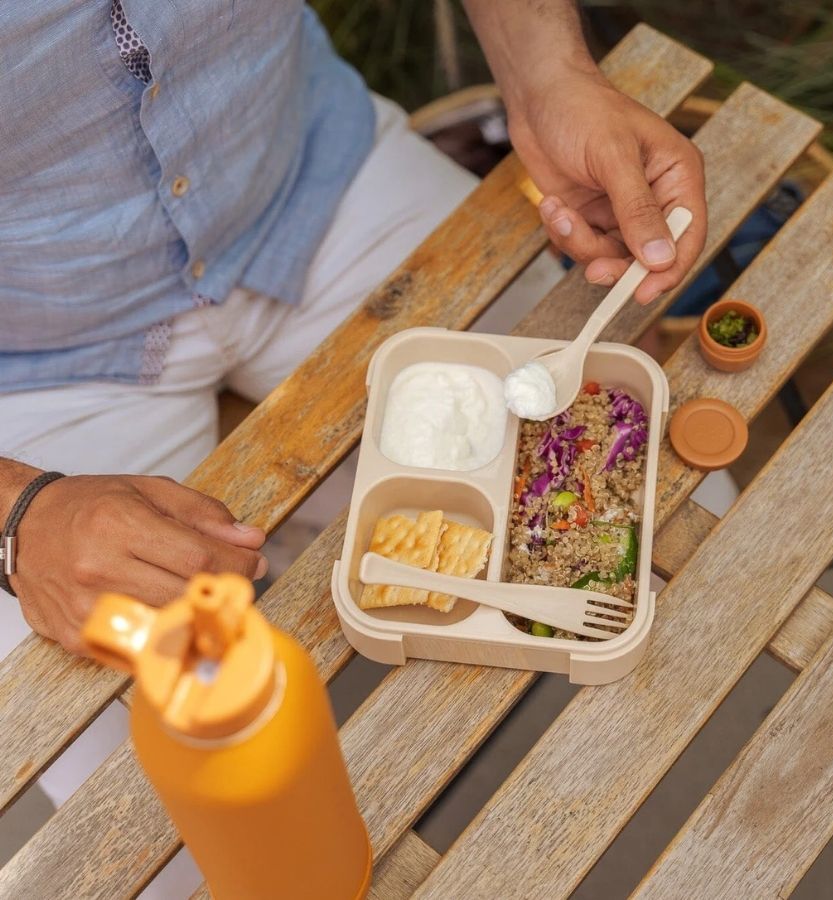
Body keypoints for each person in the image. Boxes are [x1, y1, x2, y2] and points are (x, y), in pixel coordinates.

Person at [0, 0, 705, 831]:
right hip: (32, 358)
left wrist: (548, 71)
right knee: (137, 817)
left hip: (311, 174)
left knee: (681, 525)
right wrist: (17, 513)